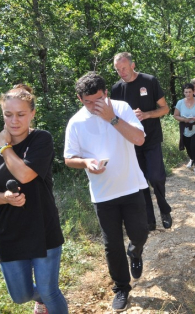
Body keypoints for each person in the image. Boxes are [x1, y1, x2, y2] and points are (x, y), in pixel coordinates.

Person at [64, 72, 149, 312]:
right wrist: (86, 163)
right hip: (102, 194)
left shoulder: (121, 108)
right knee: (112, 245)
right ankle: (121, 288)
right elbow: (69, 158)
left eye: (98, 100)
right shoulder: (76, 122)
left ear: (106, 94)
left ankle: (136, 250)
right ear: (79, 98)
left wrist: (112, 118)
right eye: (87, 101)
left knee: (140, 233)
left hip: (131, 186)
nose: (93, 106)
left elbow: (140, 139)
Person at [0, 85, 68, 314]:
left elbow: (24, 174)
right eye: (8, 114)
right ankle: (43, 299)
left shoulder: (41, 139)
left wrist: (4, 147)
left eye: (21, 114)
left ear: (32, 114)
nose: (14, 121)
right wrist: (5, 198)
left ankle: (51, 299)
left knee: (50, 291)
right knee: (20, 295)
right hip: (8, 232)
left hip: (42, 228)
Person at [111, 52, 172, 232]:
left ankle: (164, 209)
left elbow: (165, 109)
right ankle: (149, 219)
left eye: (123, 67)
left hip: (151, 138)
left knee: (156, 177)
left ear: (132, 65)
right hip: (130, 141)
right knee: (140, 181)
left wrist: (146, 114)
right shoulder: (116, 89)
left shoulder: (149, 81)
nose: (121, 72)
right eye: (117, 70)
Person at [173, 83, 195, 174]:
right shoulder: (180, 103)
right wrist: (184, 119)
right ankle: (192, 159)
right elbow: (175, 115)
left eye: (189, 92)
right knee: (188, 147)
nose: (188, 94)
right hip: (185, 128)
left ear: (193, 92)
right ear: (184, 93)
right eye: (186, 92)